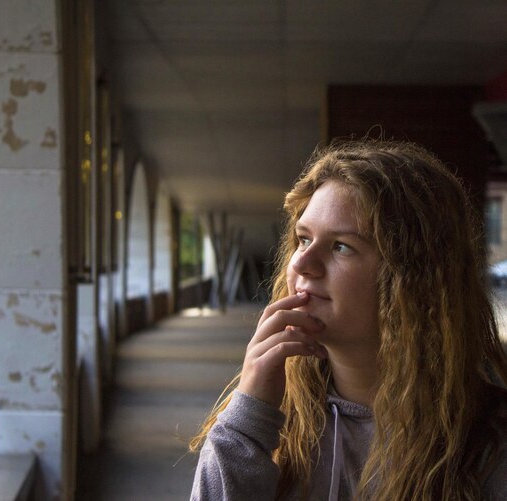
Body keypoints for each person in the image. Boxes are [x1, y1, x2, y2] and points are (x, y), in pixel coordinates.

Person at [189, 140, 507, 501]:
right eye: (303, 239)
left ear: (413, 278)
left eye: (341, 246)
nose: (300, 264)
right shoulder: (275, 417)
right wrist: (247, 420)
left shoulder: (489, 446)